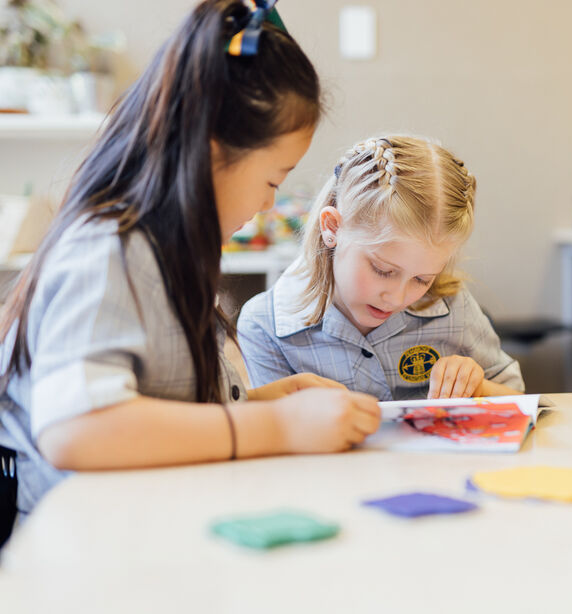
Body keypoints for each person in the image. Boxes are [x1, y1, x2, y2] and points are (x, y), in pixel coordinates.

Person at [0, 0, 381, 545]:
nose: (270, 205)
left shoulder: (165, 251)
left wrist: (256, 402)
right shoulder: (108, 248)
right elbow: (77, 429)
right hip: (84, 553)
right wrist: (276, 428)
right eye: (273, 180)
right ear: (210, 151)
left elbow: (155, 405)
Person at [238, 135, 524, 402]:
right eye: (383, 270)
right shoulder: (266, 325)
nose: (397, 298)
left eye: (422, 279)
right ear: (332, 228)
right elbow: (274, 435)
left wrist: (477, 386)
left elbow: (517, 397)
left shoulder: (453, 307)